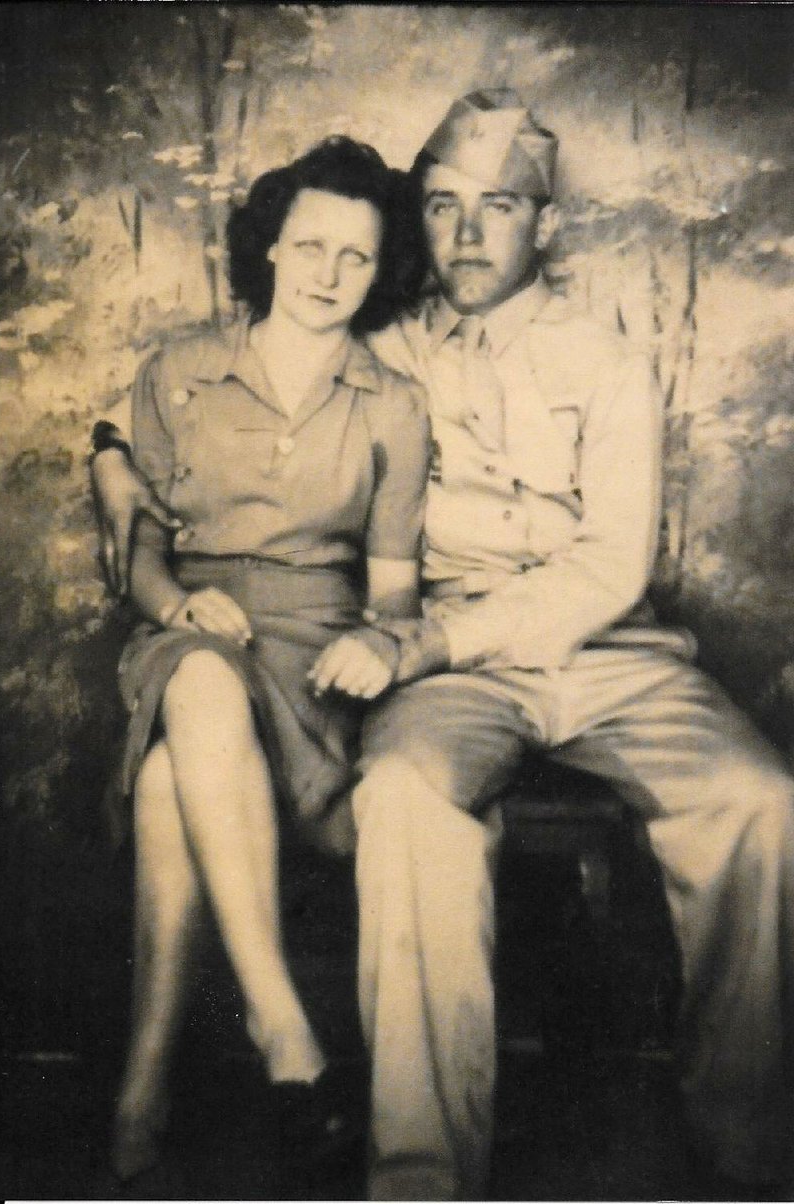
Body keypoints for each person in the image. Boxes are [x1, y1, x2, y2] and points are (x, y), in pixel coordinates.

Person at [91, 91, 794, 1201]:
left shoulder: (608, 363)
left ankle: (753, 1153)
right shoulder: (376, 342)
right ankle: (418, 1175)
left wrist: (422, 643)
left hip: (599, 649)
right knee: (406, 799)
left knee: (764, 802)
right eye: (443, 208)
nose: (467, 235)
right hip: (441, 665)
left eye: (498, 207)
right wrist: (112, 460)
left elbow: (608, 569)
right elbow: (229, 392)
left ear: (544, 224)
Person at [100, 135, 430, 1184]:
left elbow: (390, 590)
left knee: (167, 782)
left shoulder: (390, 404)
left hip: (313, 653)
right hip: (188, 621)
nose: (329, 275)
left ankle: (142, 1087)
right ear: (271, 250)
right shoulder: (180, 369)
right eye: (311, 247)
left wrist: (378, 638)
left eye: (357, 258)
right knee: (195, 671)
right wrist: (177, 600)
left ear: (381, 275)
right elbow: (141, 556)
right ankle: (284, 1027)